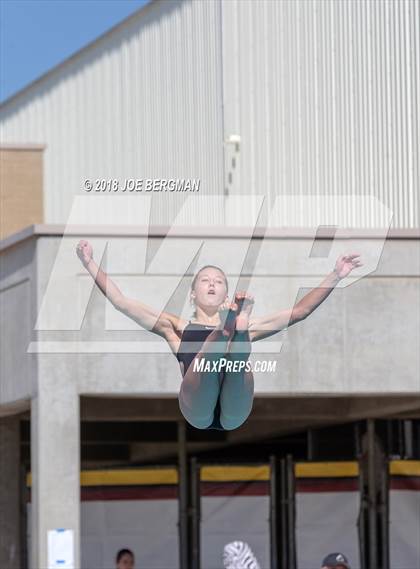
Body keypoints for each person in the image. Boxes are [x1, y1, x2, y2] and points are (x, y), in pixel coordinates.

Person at [76, 240, 362, 431]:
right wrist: (89, 263)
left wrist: (336, 274)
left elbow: (300, 311)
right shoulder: (174, 327)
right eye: (205, 280)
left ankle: (231, 331)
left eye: (219, 282)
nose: (212, 284)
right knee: (212, 356)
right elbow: (120, 301)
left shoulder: (247, 324)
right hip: (197, 408)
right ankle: (227, 330)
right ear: (193, 293)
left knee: (239, 363)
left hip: (234, 411)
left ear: (226, 293)